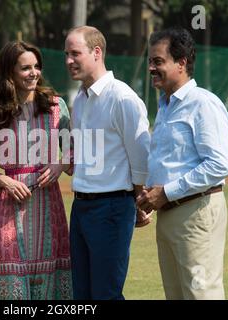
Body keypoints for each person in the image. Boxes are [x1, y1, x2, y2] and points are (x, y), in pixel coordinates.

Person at [136, 27, 228, 300]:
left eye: (158, 61)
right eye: (150, 62)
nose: (151, 68)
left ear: (182, 63)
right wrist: (150, 198)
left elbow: (219, 165)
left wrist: (165, 192)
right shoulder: (166, 106)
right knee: (176, 295)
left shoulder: (202, 104)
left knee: (201, 294)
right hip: (169, 213)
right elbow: (170, 162)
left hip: (196, 212)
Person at [0, 41, 73, 300]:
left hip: (48, 203)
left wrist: (60, 163)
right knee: (14, 282)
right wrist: (4, 181)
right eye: (25, 68)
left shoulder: (55, 106)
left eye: (36, 67)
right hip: (10, 207)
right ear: (10, 72)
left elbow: (76, 153)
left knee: (52, 281)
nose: (34, 73)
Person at [64, 26, 150, 300]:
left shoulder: (121, 98)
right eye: (66, 54)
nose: (68, 60)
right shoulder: (79, 100)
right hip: (80, 208)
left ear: (97, 52)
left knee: (105, 294)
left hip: (112, 208)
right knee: (82, 295)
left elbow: (141, 158)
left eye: (75, 53)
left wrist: (138, 202)